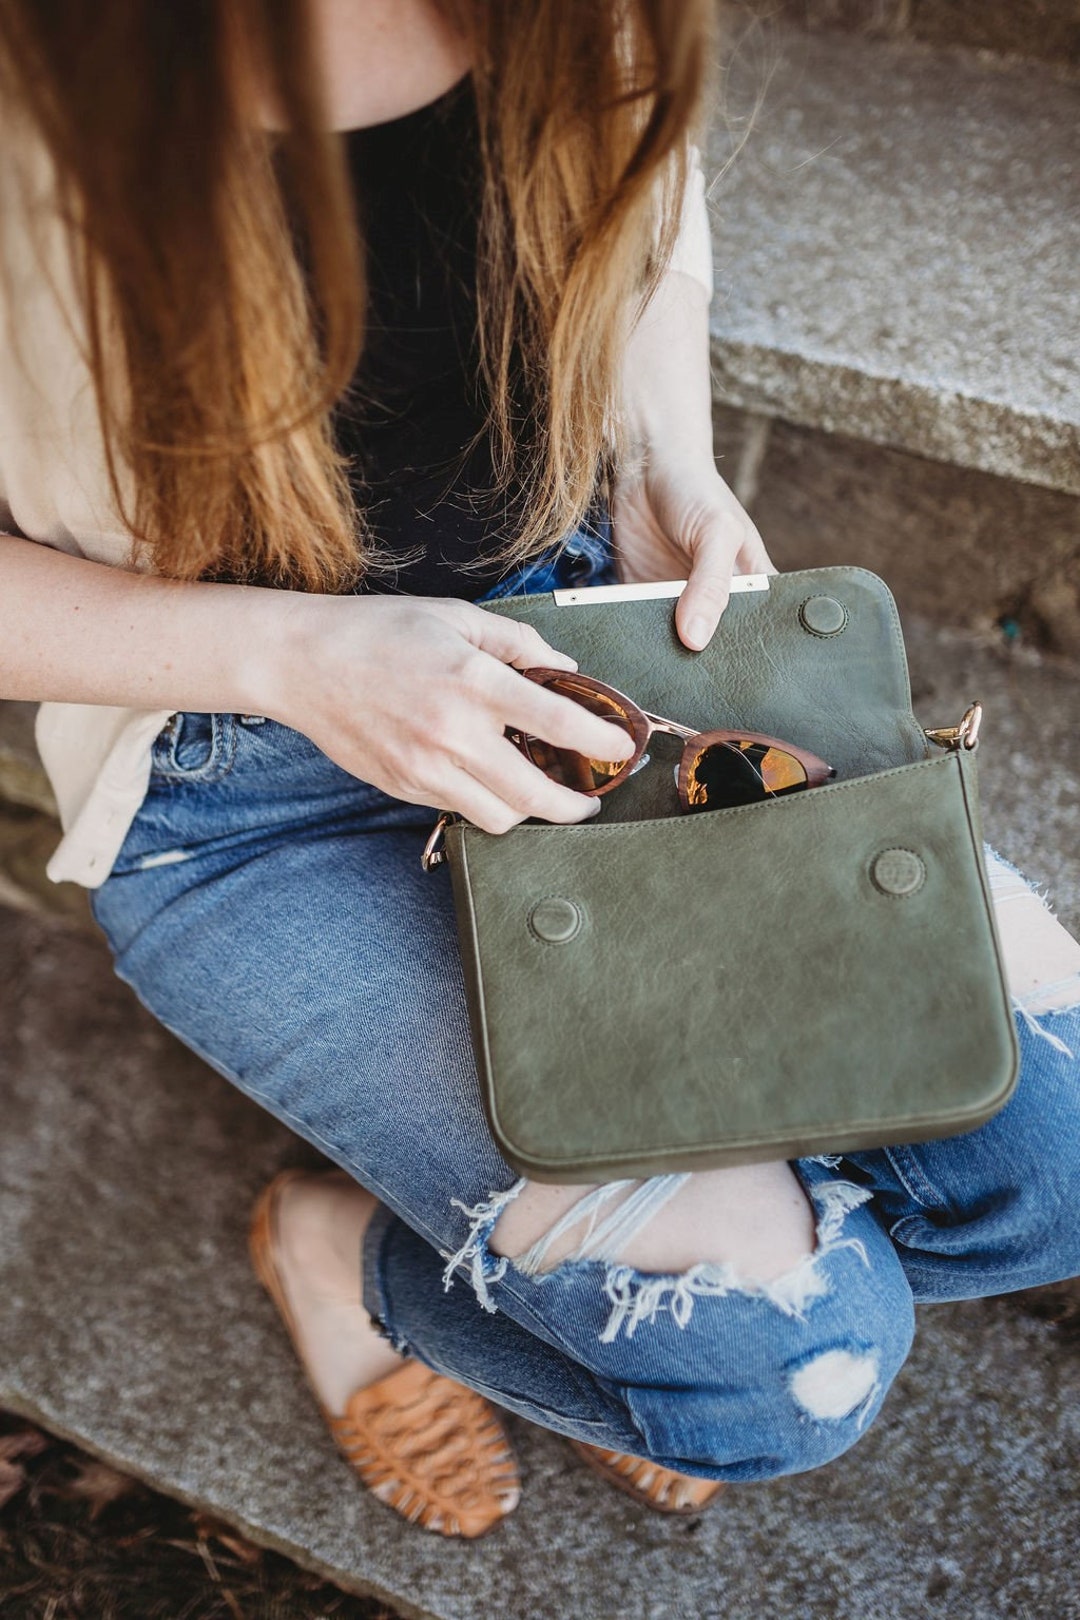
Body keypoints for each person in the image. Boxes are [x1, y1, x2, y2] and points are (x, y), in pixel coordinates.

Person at [2, 0, 1079, 1542]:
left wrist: (663, 462)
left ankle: (638, 1188)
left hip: (599, 673)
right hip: (240, 782)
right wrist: (294, 659)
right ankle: (340, 1253)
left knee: (1055, 1164)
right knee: (781, 1381)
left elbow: (639, 190)